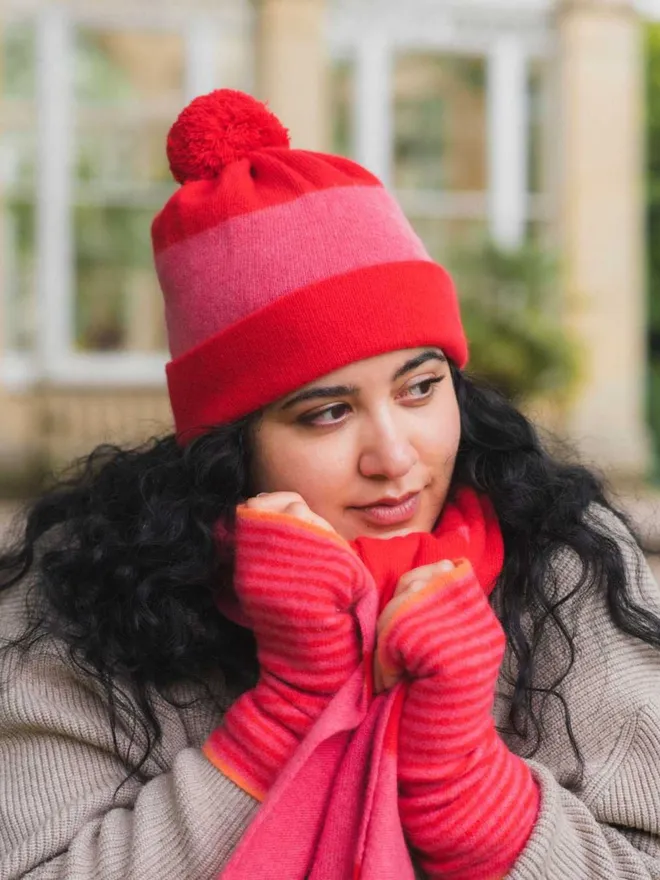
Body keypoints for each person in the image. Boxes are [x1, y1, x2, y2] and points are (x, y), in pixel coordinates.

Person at [1, 88, 659, 880]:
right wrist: (285, 715)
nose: (395, 456)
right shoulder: (81, 604)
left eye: (420, 388)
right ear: (227, 449)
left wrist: (472, 792)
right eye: (327, 413)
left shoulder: (563, 561)